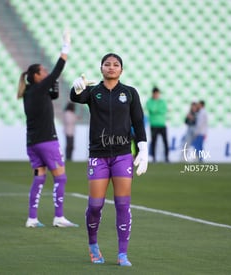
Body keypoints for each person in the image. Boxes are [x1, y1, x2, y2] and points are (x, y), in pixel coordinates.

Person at [70, 53, 148, 267]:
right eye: (107, 64)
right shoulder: (93, 92)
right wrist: (76, 87)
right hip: (98, 156)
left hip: (123, 155)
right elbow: (76, 97)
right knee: (95, 206)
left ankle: (123, 254)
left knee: (123, 205)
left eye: (116, 65)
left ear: (121, 70)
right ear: (101, 68)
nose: (111, 67)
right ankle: (93, 245)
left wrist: (143, 148)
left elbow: (138, 122)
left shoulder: (130, 93)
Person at [17, 30, 78, 228]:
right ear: (36, 76)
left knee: (39, 178)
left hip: (32, 143)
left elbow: (51, 95)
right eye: (42, 71)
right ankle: (59, 217)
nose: (45, 73)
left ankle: (32, 218)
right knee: (61, 177)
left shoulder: (29, 93)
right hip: (47, 141)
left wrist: (54, 83)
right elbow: (58, 70)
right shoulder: (39, 87)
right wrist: (65, 47)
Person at [146, 87, 169, 162]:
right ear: (153, 94)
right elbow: (152, 110)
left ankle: (166, 157)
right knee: (154, 142)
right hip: (153, 125)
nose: (156, 95)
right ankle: (153, 158)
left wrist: (155, 110)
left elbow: (164, 110)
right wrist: (157, 109)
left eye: (157, 93)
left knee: (165, 142)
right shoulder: (149, 101)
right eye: (155, 93)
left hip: (162, 125)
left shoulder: (162, 101)